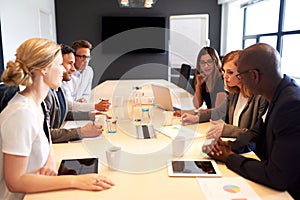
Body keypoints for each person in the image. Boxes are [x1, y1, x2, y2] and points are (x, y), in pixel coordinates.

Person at [0, 38, 114, 199]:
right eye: (60, 64)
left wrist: (49, 160)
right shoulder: (21, 113)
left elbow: (45, 139)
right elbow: (15, 182)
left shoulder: (37, 104)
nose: (66, 70)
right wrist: (75, 181)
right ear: (44, 69)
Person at [206, 43, 300, 199]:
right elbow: (256, 132)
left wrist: (229, 158)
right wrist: (230, 146)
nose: (239, 81)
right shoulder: (278, 93)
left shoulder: (290, 106)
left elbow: (277, 176)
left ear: (254, 76)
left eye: (241, 75)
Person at [181, 50, 268, 139]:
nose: (225, 76)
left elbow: (256, 135)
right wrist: (196, 118)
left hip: (248, 150)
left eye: (230, 72)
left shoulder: (261, 98)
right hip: (232, 143)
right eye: (224, 71)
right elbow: (217, 111)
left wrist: (226, 129)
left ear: (243, 73)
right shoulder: (234, 93)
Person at [44, 44, 104, 143]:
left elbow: (63, 113)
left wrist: (88, 115)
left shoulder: (59, 89)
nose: (73, 69)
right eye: (69, 64)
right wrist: (80, 132)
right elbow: (45, 134)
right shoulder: (45, 96)